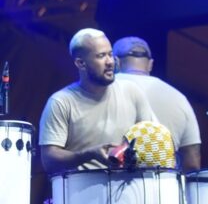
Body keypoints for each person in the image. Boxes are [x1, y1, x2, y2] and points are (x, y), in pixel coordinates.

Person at [38, 28, 156, 174]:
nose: (110, 62)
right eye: (101, 56)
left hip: (129, 189)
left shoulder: (132, 91)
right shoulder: (61, 102)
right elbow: (49, 160)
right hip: (80, 192)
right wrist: (88, 155)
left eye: (110, 54)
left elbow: (152, 138)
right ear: (81, 63)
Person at [112, 36, 202, 171]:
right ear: (150, 64)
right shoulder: (178, 97)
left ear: (115, 62)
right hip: (165, 186)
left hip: (112, 184)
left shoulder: (104, 90)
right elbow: (193, 162)